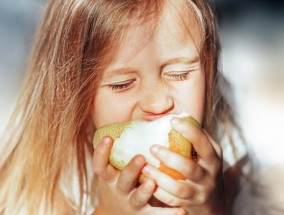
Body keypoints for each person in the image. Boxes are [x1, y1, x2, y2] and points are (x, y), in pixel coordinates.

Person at [0, 0, 243, 214]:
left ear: (209, 69)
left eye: (179, 74)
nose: (158, 104)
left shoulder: (228, 174)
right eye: (122, 84)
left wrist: (212, 209)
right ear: (72, 94)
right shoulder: (43, 192)